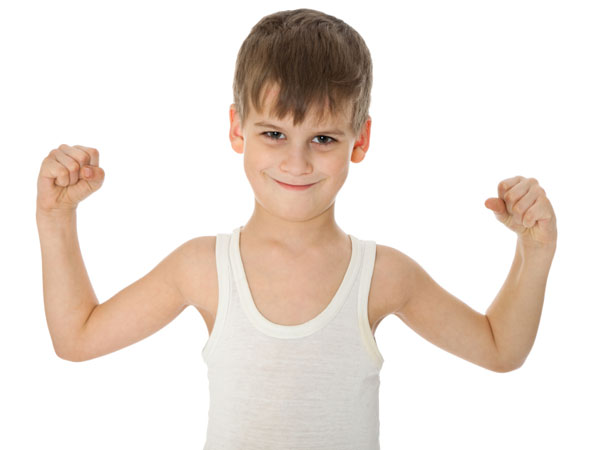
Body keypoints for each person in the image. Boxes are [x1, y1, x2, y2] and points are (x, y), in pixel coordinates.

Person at [35, 8, 558, 450]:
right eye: (274, 133)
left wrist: (533, 253)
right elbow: (77, 338)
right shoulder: (202, 268)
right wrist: (56, 220)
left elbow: (499, 349)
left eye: (323, 139)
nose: (297, 162)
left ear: (360, 140)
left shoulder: (383, 275)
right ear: (238, 129)